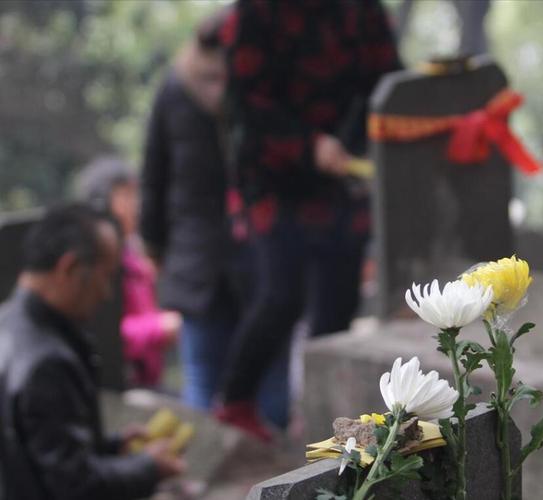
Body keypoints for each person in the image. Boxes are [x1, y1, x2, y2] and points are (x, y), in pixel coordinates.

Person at [215, 0, 401, 438]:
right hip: (272, 175)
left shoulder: (362, 11)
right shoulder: (254, 14)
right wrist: (308, 145)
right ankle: (234, 403)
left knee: (340, 300)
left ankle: (322, 418)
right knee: (281, 295)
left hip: (344, 172)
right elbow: (247, 104)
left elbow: (387, 79)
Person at [140, 9, 284, 435]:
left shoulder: (174, 88)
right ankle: (279, 467)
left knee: (203, 379)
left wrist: (155, 249)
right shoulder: (263, 85)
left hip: (196, 260)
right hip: (262, 254)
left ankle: (204, 463)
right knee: (269, 381)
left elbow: (153, 179)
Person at [0, 204, 183, 500]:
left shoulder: (8, 324)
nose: (106, 293)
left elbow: (38, 449)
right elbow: (75, 486)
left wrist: (109, 447)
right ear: (70, 268)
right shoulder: (46, 364)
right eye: (105, 276)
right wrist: (148, 467)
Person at [77, 157, 181, 388]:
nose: (136, 205)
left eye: (136, 195)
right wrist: (160, 328)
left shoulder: (136, 254)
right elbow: (105, 334)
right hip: (120, 384)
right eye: (126, 196)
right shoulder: (97, 262)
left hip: (150, 379)